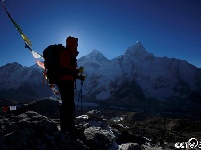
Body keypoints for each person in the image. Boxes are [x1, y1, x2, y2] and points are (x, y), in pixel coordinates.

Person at [58, 36, 79, 133]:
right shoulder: (66, 53)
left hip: (67, 81)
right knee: (68, 104)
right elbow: (64, 68)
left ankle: (67, 125)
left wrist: (77, 75)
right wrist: (75, 71)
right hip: (65, 82)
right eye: (75, 43)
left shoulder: (71, 54)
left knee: (68, 104)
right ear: (72, 44)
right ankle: (67, 126)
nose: (77, 45)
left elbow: (68, 70)